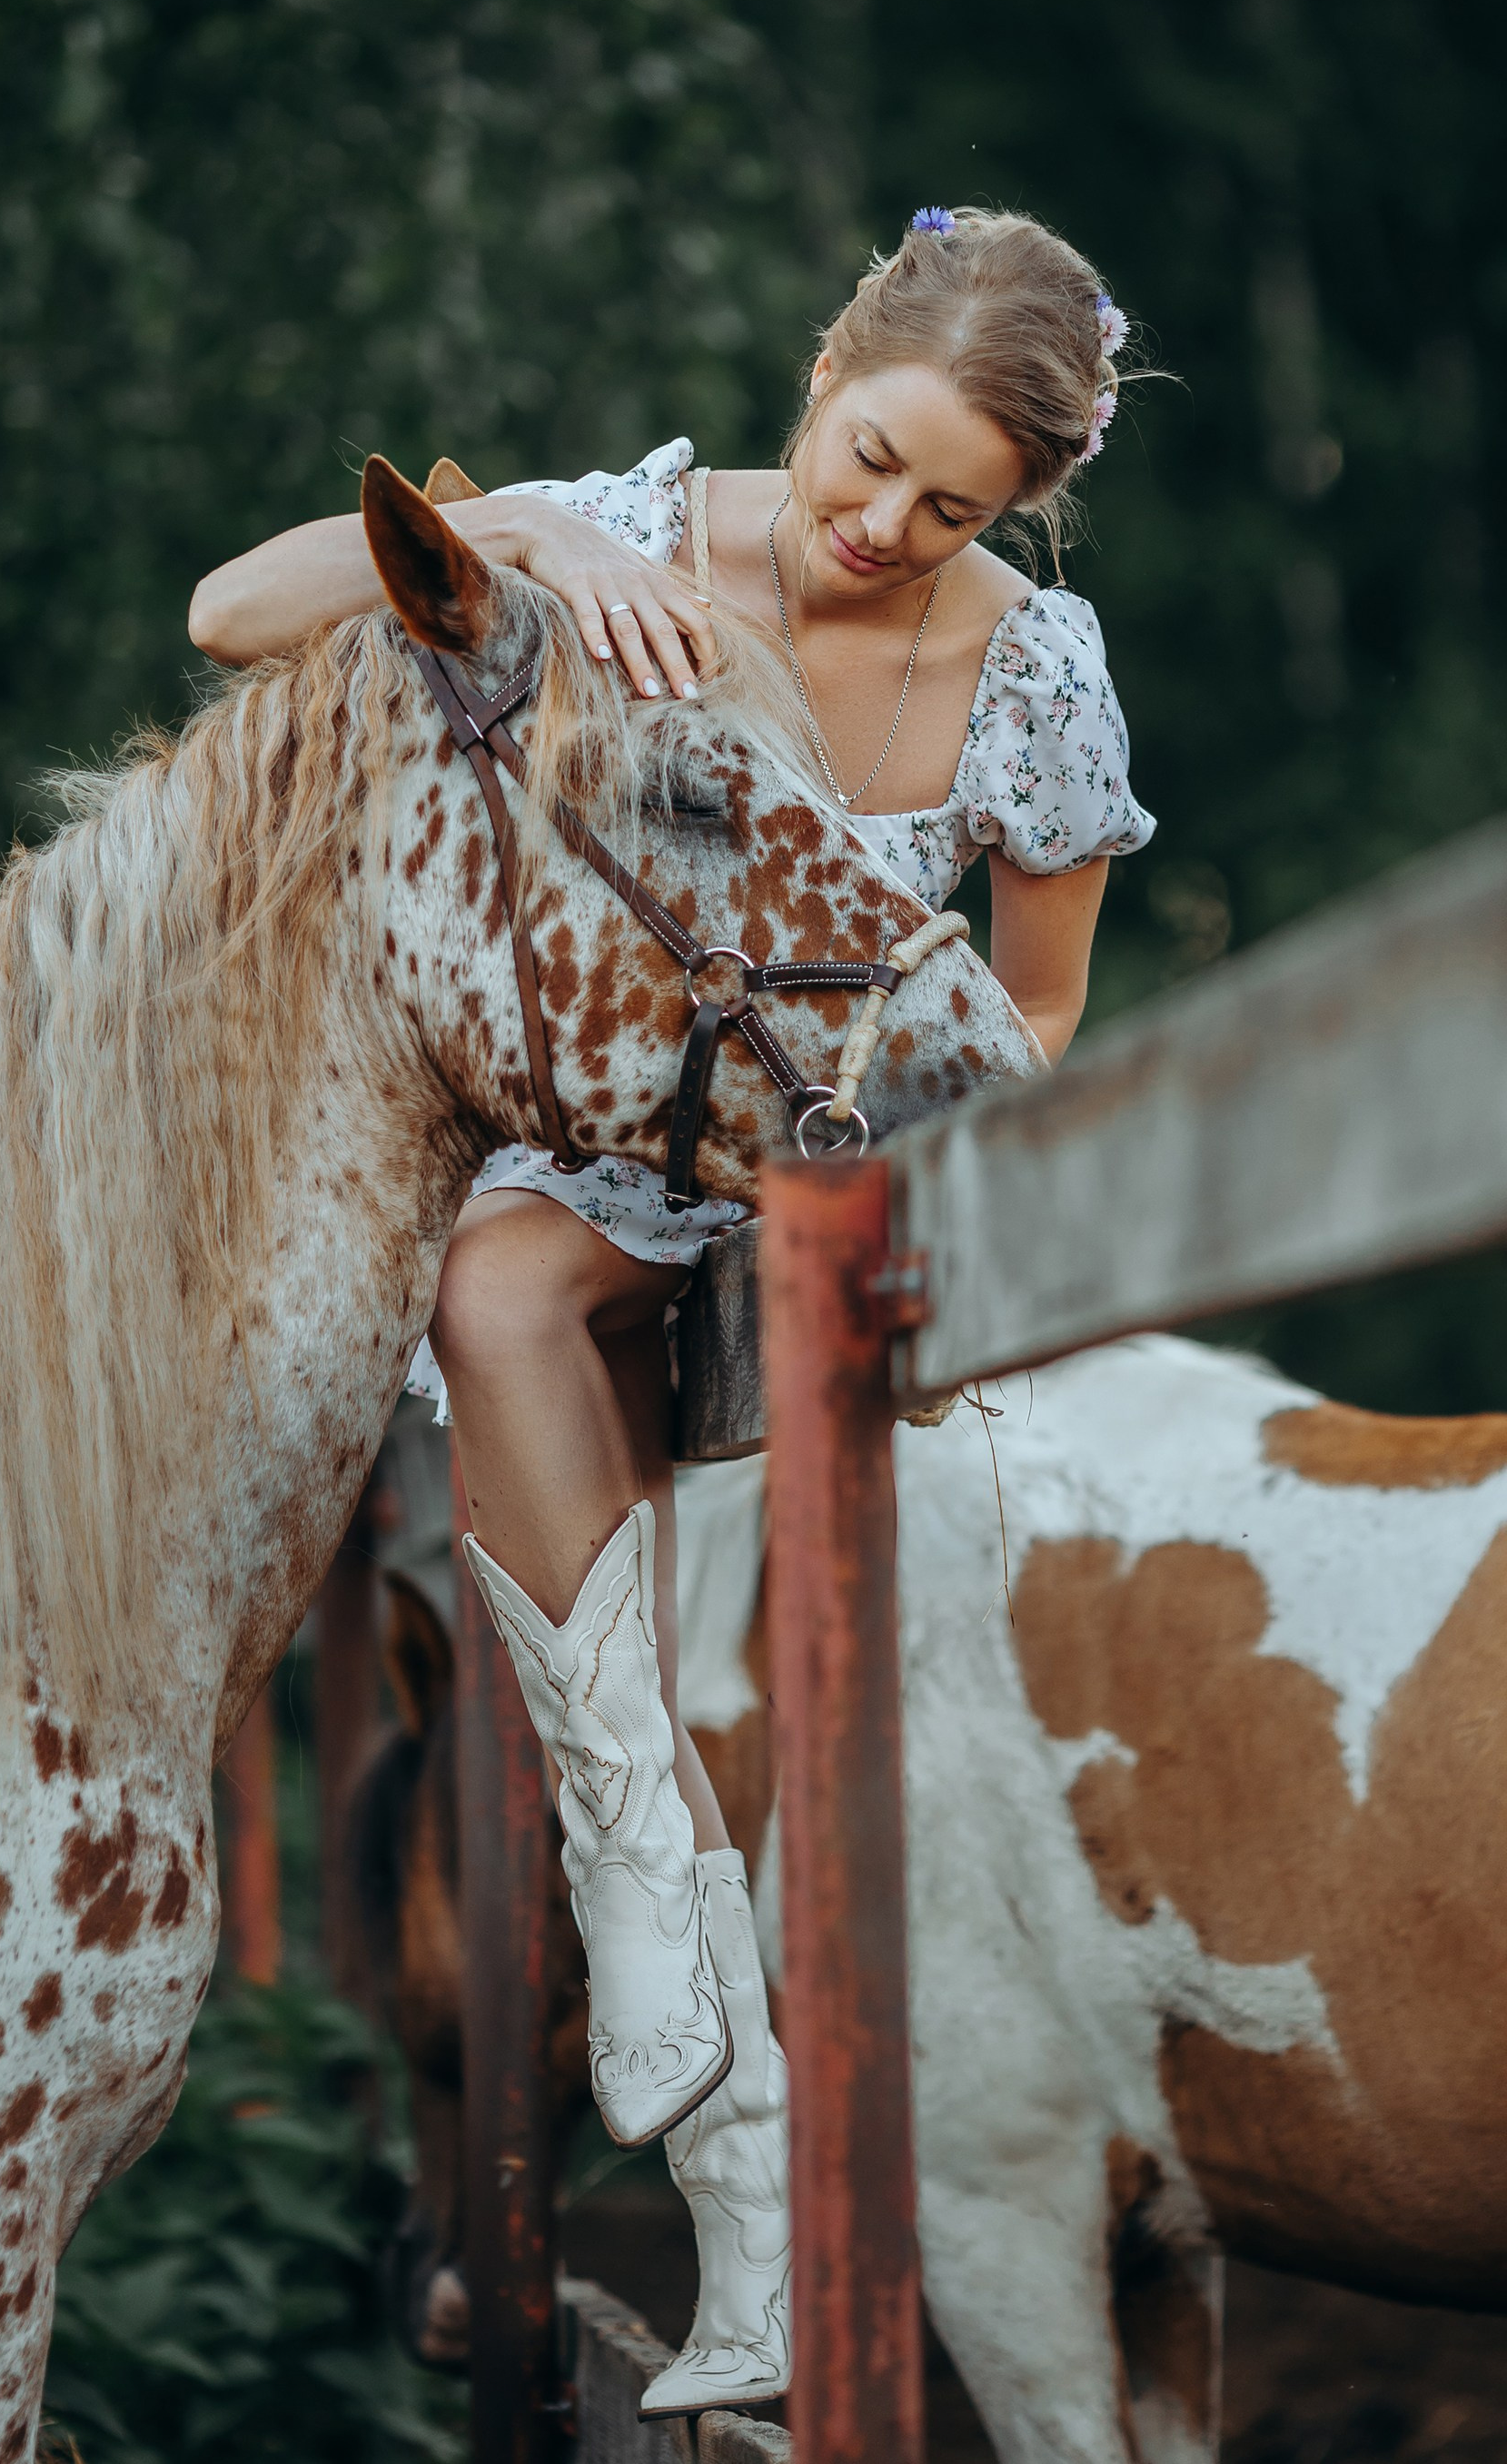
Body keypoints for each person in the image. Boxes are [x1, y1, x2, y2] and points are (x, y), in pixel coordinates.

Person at [190, 205, 1155, 2413]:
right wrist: (525, 526)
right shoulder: (618, 540)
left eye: (953, 506)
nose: (884, 524)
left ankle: (890, 2137)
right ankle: (651, 1919)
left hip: (866, 1163)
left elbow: (1038, 1009)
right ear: (827, 376)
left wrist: (900, 1174)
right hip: (616, 1144)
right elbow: (229, 615)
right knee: (496, 1274)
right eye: (870, 455)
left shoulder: (1034, 669)